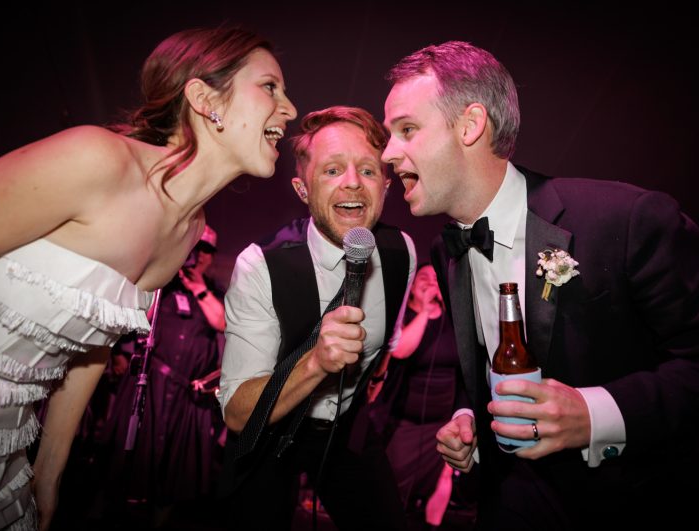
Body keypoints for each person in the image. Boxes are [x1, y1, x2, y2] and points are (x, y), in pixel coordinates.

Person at [381, 41, 699, 529]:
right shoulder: (446, 251)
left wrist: (596, 414)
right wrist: (469, 418)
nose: (388, 153)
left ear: (471, 125)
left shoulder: (625, 218)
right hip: (512, 502)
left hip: (640, 502)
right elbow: (482, 366)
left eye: (406, 129)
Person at [0, 25, 296, 531]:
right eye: (270, 87)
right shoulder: (97, 161)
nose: (289, 109)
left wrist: (49, 471)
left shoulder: (187, 232)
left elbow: (91, 343)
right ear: (204, 99)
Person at [217, 106, 416, 531]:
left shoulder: (404, 253)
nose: (351, 182)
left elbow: (387, 347)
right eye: (331, 170)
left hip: (348, 427)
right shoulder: (260, 265)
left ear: (386, 185)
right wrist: (314, 364)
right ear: (302, 189)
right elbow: (236, 413)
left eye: (367, 170)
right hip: (270, 435)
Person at [101, 224, 226, 527]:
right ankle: (105, 515)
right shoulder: (163, 283)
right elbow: (135, 316)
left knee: (175, 472)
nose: (199, 256)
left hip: (187, 398)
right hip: (150, 388)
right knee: (123, 463)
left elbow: (222, 322)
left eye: (207, 250)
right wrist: (167, 271)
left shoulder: (214, 290)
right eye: (195, 248)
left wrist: (199, 288)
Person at [370, 263, 473, 528]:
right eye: (423, 279)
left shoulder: (452, 320)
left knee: (443, 477)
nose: (430, 282)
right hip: (405, 424)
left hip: (442, 421)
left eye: (435, 278)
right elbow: (402, 350)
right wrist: (426, 311)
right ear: (412, 287)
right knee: (395, 484)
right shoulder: (402, 319)